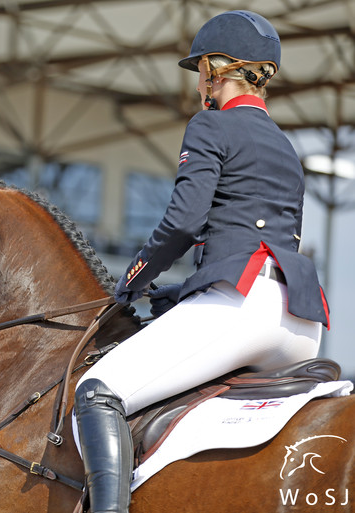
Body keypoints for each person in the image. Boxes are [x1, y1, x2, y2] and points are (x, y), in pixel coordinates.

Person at [72, 11, 329, 513]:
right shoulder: (285, 145)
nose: (198, 82)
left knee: (97, 390)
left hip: (243, 308)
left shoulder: (210, 124)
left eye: (201, 70)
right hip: (301, 325)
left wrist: (133, 281)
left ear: (216, 68)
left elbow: (183, 225)